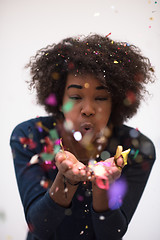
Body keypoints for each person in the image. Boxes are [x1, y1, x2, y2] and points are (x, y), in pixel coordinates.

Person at [10, 34, 156, 240]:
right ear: (60, 99)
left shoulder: (135, 148)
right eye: (76, 97)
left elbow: (111, 234)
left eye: (101, 97)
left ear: (115, 101)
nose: (88, 109)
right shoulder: (32, 136)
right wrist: (67, 180)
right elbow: (39, 227)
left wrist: (101, 186)